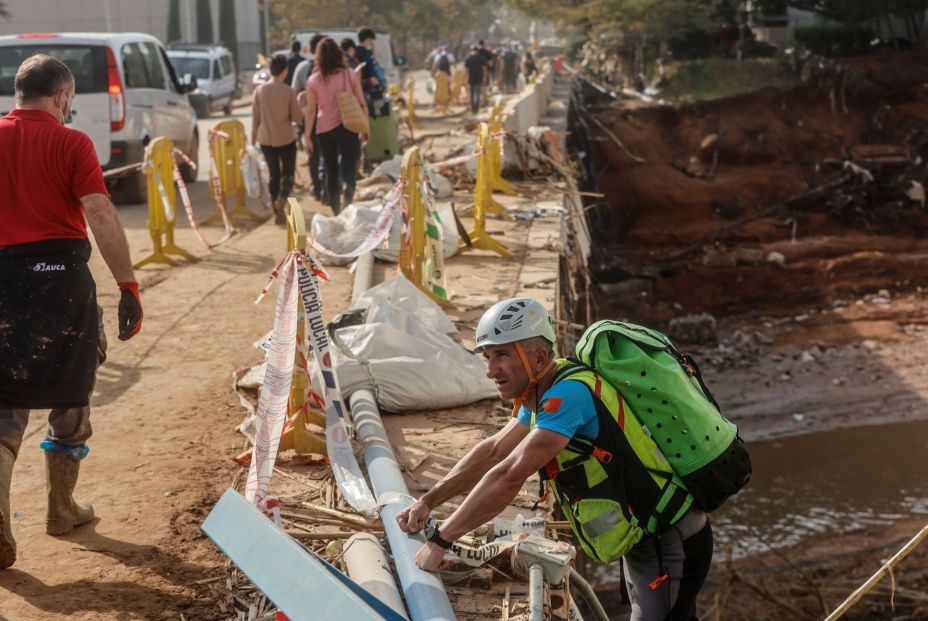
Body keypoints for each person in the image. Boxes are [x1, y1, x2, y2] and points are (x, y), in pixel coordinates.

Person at [396, 298, 714, 621]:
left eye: (502, 355)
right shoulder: (540, 392)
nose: (491, 370)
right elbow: (493, 451)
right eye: (488, 357)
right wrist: (428, 501)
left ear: (537, 357)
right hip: (646, 537)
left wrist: (441, 540)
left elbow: (508, 476)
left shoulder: (566, 398)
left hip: (670, 539)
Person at [0, 54, 143, 570]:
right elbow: (100, 211)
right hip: (60, 279)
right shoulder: (71, 142)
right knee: (71, 385)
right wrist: (127, 285)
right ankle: (60, 509)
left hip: (2, 281)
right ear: (61, 96)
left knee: (4, 394)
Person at [304, 38, 368, 215]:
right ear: (339, 54)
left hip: (325, 129)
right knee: (348, 166)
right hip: (349, 125)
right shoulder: (350, 74)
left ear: (318, 57)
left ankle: (336, 211)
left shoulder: (313, 80)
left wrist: (307, 136)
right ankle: (348, 198)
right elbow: (362, 103)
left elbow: (310, 111)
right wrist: (366, 128)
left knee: (331, 170)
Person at [251, 54, 301, 224]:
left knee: (273, 175)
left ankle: (276, 211)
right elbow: (298, 117)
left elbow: (255, 119)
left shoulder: (259, 91)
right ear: (285, 71)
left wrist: (252, 141)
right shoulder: (289, 91)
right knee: (288, 174)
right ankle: (282, 198)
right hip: (286, 137)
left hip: (266, 139)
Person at [292, 33, 327, 202]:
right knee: (329, 153)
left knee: (313, 152)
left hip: (309, 118)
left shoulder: (302, 68)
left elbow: (294, 93)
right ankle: (328, 186)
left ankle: (317, 187)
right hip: (329, 117)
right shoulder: (333, 68)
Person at [464, 45, 485, 114]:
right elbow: (484, 68)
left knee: (472, 93)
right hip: (479, 78)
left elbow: (466, 70)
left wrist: (465, 78)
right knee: (478, 93)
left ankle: (473, 109)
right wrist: (484, 77)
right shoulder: (481, 58)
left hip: (471, 78)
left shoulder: (468, 58)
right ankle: (477, 107)